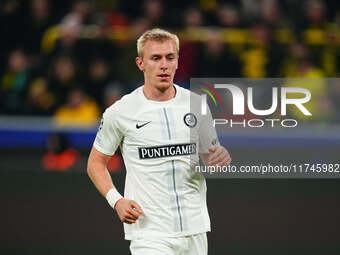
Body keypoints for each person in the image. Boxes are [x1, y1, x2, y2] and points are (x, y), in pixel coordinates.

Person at [87, 28, 231, 255]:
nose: (163, 64)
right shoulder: (121, 111)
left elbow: (208, 159)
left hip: (195, 228)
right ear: (140, 63)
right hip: (149, 232)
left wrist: (218, 158)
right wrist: (117, 201)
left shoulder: (198, 105)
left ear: (177, 62)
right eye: (155, 58)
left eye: (169, 57)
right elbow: (96, 163)